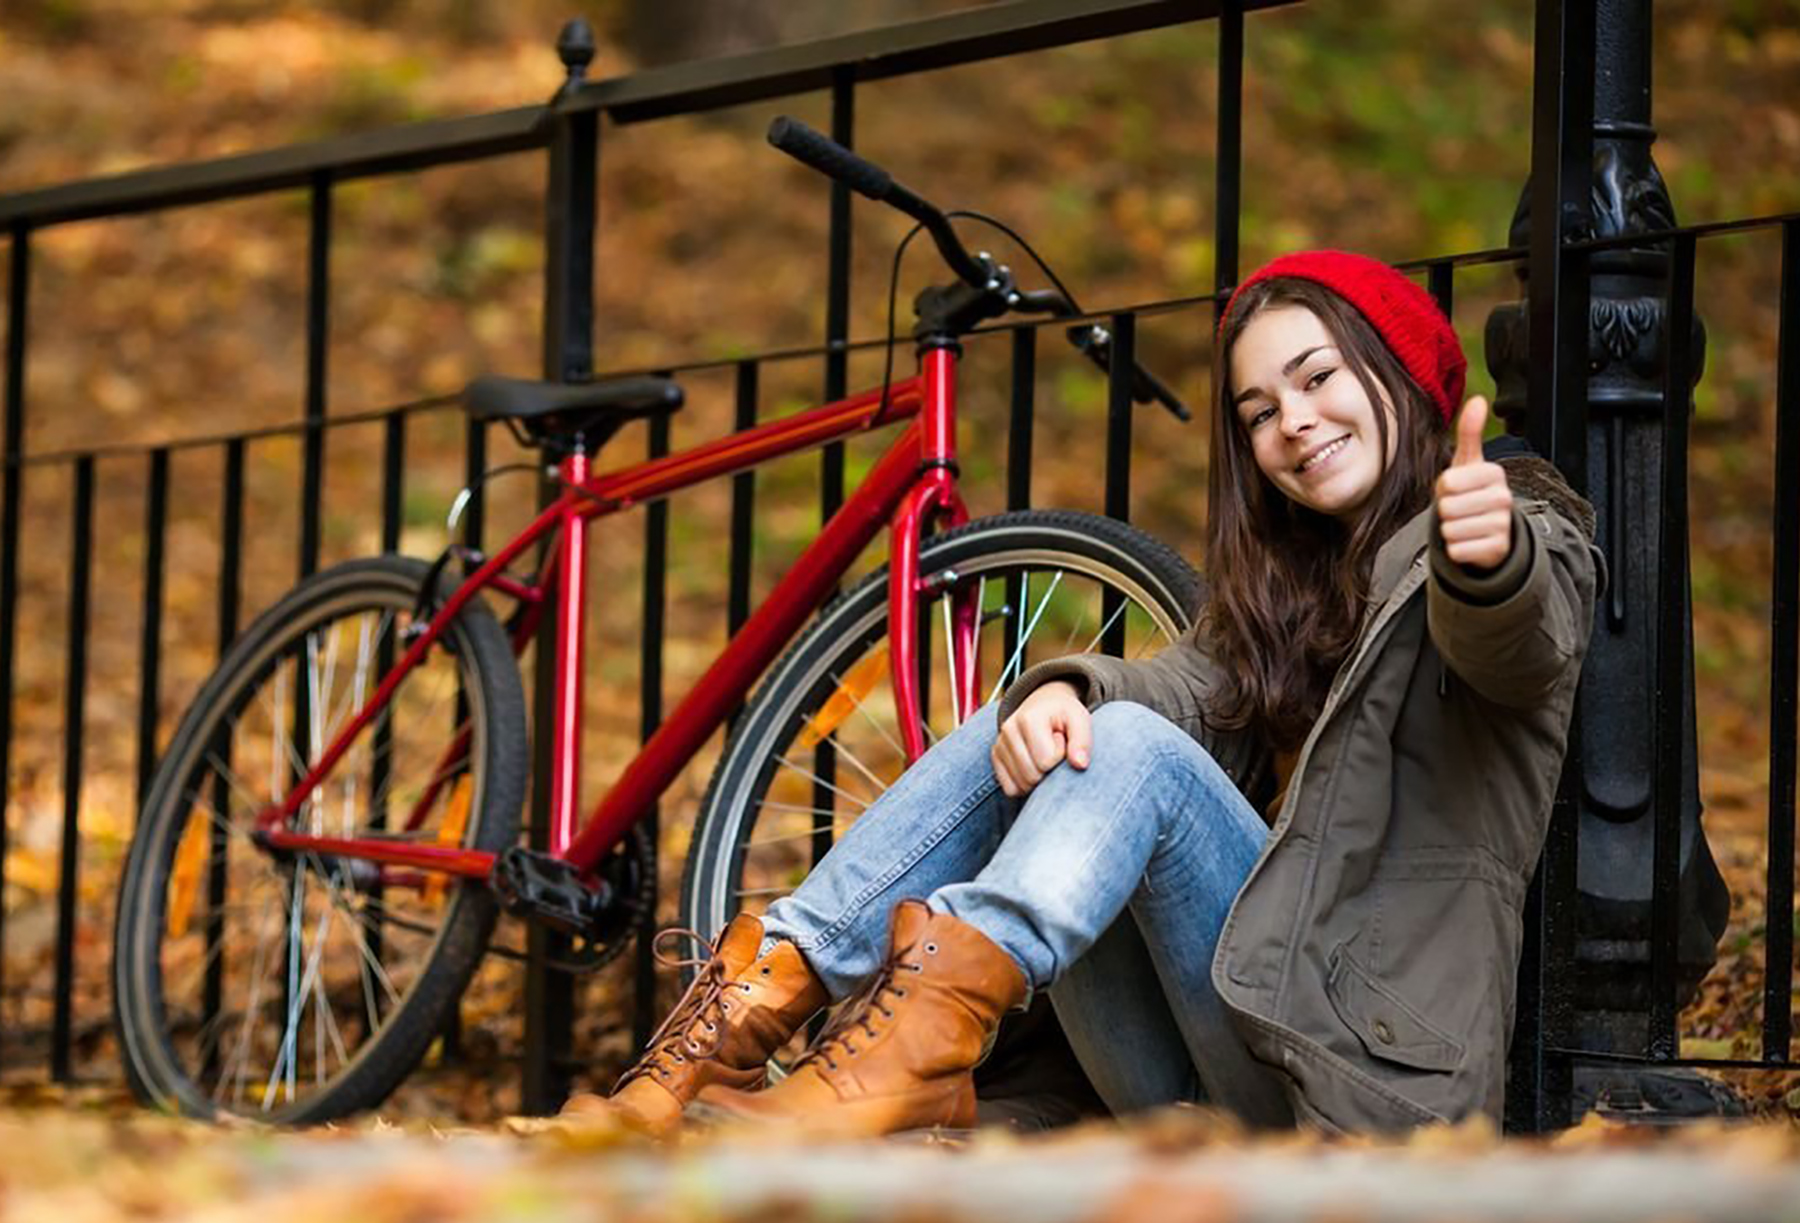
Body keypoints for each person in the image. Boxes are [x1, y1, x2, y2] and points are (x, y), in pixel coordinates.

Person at [565, 250, 1600, 1137]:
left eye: (1318, 376)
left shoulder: (1510, 528)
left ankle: (892, 1054)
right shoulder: (1293, 592)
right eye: (1259, 410)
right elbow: (1176, 687)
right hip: (1196, 1051)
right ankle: (738, 1016)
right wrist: (1063, 691)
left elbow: (1517, 647)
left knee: (1124, 746)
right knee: (1058, 722)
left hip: (1357, 1079)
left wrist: (1487, 556)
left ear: (1401, 368)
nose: (1294, 419)